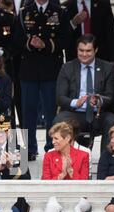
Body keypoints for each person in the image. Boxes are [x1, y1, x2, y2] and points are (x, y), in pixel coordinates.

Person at [12, 0, 70, 160]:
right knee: (27, 111)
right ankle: (29, 148)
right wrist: (30, 43)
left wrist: (46, 44)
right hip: (29, 69)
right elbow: (16, 37)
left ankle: (52, 147)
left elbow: (66, 38)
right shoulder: (24, 12)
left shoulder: (60, 12)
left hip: (51, 69)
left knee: (51, 111)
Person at [53, 34, 114, 152]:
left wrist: (99, 100)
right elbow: (60, 98)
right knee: (59, 120)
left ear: (96, 50)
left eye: (88, 51)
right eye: (81, 50)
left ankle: (106, 163)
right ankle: (65, 160)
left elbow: (112, 96)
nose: (84, 54)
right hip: (75, 113)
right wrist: (75, 102)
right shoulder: (67, 67)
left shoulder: (107, 68)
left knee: (112, 121)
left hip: (99, 114)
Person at [64, 0, 114, 64]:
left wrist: (113, 60)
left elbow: (111, 34)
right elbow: (63, 34)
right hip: (75, 61)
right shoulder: (67, 6)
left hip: (101, 58)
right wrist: (73, 23)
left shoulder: (103, 3)